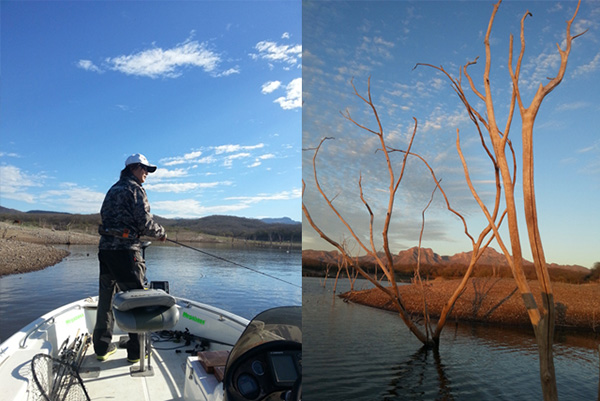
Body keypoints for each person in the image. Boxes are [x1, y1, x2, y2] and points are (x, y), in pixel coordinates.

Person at [93, 153, 167, 363]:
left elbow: (105, 216)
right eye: (144, 169)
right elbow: (145, 223)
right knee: (137, 301)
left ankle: (102, 348)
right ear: (134, 168)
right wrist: (161, 233)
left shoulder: (112, 189)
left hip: (106, 251)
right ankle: (136, 353)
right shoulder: (136, 189)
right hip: (126, 254)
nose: (146, 174)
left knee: (105, 300)